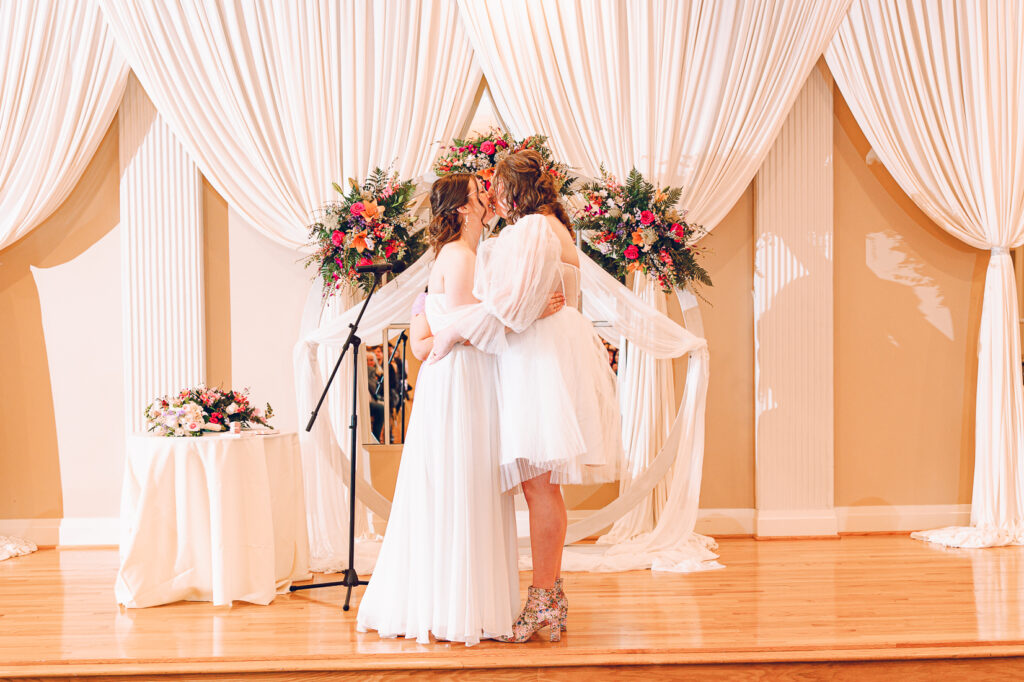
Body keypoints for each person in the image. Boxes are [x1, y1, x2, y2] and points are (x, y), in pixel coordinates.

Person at [356, 173, 564, 645]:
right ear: (463, 209)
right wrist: (531, 310)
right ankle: (462, 607)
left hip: (460, 378)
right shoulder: (460, 256)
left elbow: (441, 330)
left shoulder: (467, 254)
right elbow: (475, 324)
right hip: (461, 382)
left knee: (465, 486)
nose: (489, 194)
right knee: (464, 485)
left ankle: (461, 599)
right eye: (479, 192)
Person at [429, 150, 622, 643]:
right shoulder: (551, 226)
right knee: (543, 487)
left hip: (539, 361)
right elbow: (524, 301)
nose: (491, 194)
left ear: (513, 190)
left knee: (539, 488)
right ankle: (547, 597)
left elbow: (512, 309)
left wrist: (450, 332)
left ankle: (544, 603)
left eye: (495, 184)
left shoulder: (534, 229)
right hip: (546, 354)